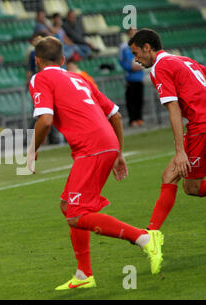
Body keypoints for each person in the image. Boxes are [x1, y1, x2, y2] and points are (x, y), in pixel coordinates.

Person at [27, 36, 163, 289]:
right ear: (64, 59)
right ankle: (83, 274)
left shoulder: (40, 78)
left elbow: (45, 121)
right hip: (105, 144)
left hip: (91, 149)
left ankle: (143, 238)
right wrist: (118, 152)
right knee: (68, 205)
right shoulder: (80, 78)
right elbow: (116, 114)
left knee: (77, 215)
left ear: (37, 61)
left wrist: (31, 151)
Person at [128, 29, 206, 231]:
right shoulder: (183, 59)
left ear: (147, 48)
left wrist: (180, 152)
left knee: (192, 187)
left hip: (201, 127)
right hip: (201, 124)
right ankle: (151, 235)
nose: (136, 59)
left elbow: (174, 110)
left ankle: (151, 236)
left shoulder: (159, 67)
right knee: (169, 176)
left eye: (137, 53)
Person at [119, 28, 145, 127]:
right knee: (131, 100)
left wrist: (142, 65)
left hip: (140, 76)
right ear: (128, 34)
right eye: (132, 32)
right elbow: (121, 61)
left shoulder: (141, 46)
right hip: (130, 77)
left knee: (140, 99)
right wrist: (130, 67)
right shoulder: (124, 47)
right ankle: (132, 119)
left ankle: (139, 118)